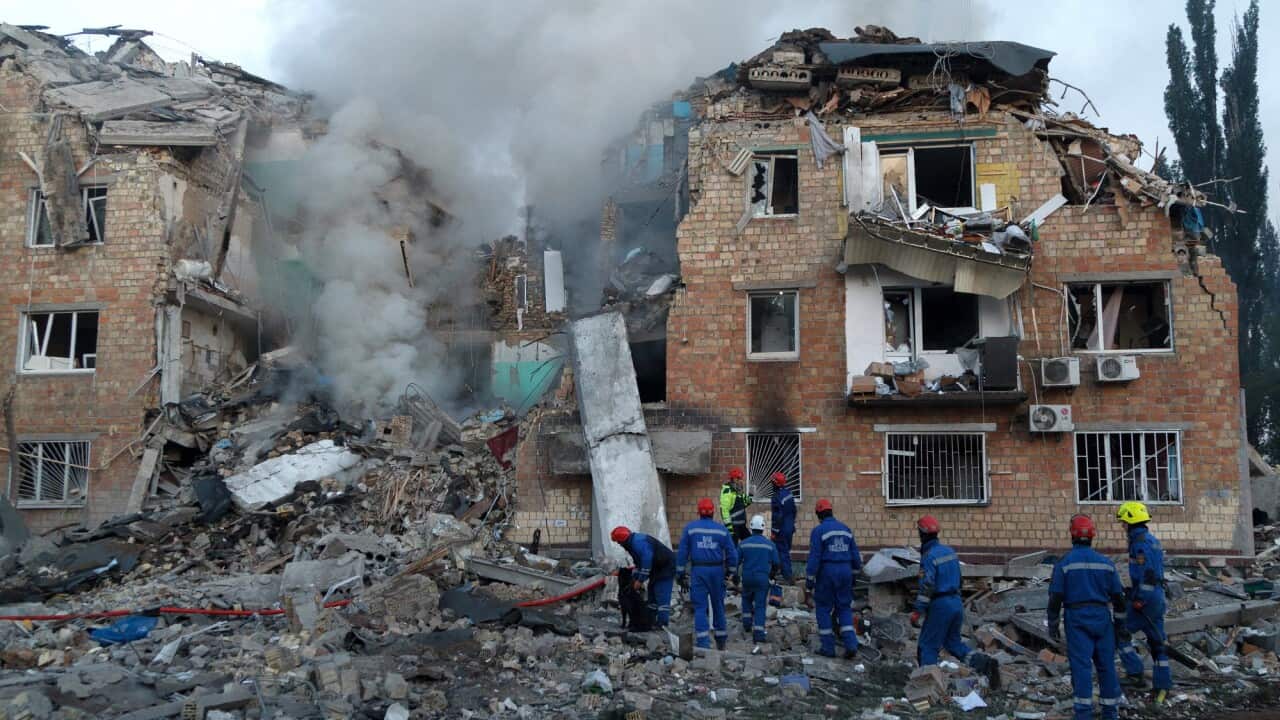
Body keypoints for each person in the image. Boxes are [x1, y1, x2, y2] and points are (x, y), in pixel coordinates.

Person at [1047, 514, 1127, 720]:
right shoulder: (1106, 564)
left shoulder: (1064, 564)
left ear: (1071, 535)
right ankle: (1111, 713)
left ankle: (1083, 714)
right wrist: (1119, 626)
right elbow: (1118, 599)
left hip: (1077, 618)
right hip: (1102, 618)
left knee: (1081, 667)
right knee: (1106, 666)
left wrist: (1053, 625)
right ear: (1092, 536)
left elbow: (1055, 597)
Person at [910, 515, 1001, 689]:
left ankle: (927, 684)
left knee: (927, 645)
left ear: (921, 534)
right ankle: (983, 663)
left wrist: (918, 611)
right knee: (953, 643)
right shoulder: (949, 552)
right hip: (956, 602)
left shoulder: (928, 556)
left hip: (940, 604)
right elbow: (959, 580)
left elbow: (927, 586)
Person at [1115, 501, 1170, 704]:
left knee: (1120, 634)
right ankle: (1163, 685)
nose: (1122, 527)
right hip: (1157, 597)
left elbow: (1146, 575)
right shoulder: (1151, 539)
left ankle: (1135, 673)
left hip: (1147, 599)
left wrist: (1138, 599)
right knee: (1158, 643)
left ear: (1130, 522)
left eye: (1123, 523)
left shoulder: (1139, 544)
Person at [677, 498, 740, 650]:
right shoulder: (721, 530)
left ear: (699, 513)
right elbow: (732, 553)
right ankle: (721, 641)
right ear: (713, 512)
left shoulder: (690, 529)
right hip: (717, 571)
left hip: (698, 571)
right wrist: (731, 572)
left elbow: (682, 553)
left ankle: (703, 643)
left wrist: (680, 574)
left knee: (699, 607)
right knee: (718, 605)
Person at [804, 498, 861, 658]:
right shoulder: (846, 529)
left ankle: (828, 648)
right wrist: (855, 575)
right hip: (845, 570)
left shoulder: (819, 531)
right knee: (844, 608)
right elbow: (856, 556)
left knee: (823, 608)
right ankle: (851, 644)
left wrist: (809, 582)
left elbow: (814, 558)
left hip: (827, 572)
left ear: (818, 514)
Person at [610, 525, 676, 628]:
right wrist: (635, 577)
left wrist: (640, 580)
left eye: (618, 542)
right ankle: (650, 621)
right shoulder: (633, 544)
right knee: (652, 593)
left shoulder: (638, 543)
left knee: (661, 594)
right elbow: (638, 563)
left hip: (666, 566)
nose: (619, 545)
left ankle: (663, 624)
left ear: (623, 540)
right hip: (657, 567)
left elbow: (646, 561)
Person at [737, 514, 781, 642]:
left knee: (746, 599)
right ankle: (759, 633)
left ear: (751, 527)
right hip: (762, 578)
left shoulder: (743, 544)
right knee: (760, 605)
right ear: (763, 528)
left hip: (747, 577)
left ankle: (746, 624)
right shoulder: (770, 545)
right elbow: (777, 564)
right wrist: (772, 575)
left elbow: (736, 561)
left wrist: (734, 575)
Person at [769, 471, 797, 582]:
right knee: (786, 551)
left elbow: (777, 517)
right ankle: (780, 573)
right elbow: (794, 511)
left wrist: (774, 532)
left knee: (782, 552)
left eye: (772, 483)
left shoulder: (776, 497)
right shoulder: (789, 493)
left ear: (776, 483)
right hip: (789, 528)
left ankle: (787, 576)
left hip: (781, 531)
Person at [720, 467, 752, 543]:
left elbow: (744, 504)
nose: (740, 481)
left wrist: (750, 496)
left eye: (741, 478)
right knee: (733, 550)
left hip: (742, 526)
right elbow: (724, 511)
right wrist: (729, 529)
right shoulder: (727, 491)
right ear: (733, 479)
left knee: (750, 542)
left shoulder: (738, 490)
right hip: (733, 527)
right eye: (738, 479)